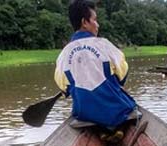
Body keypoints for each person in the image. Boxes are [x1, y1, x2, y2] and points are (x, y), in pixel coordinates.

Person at [54, 0, 137, 135]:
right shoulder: (105, 45)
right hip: (116, 111)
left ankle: (100, 131)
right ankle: (115, 128)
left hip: (82, 113)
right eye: (95, 20)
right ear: (84, 22)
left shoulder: (63, 55)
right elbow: (123, 75)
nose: (97, 25)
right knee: (128, 104)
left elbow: (65, 89)